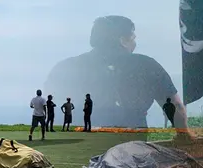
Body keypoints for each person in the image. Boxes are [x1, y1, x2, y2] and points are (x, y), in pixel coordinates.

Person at [45, 15, 187, 130]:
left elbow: (50, 107)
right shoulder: (147, 65)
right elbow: (175, 106)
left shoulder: (66, 67)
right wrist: (184, 135)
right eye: (133, 39)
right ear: (123, 40)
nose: (134, 44)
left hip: (76, 145)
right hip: (130, 151)